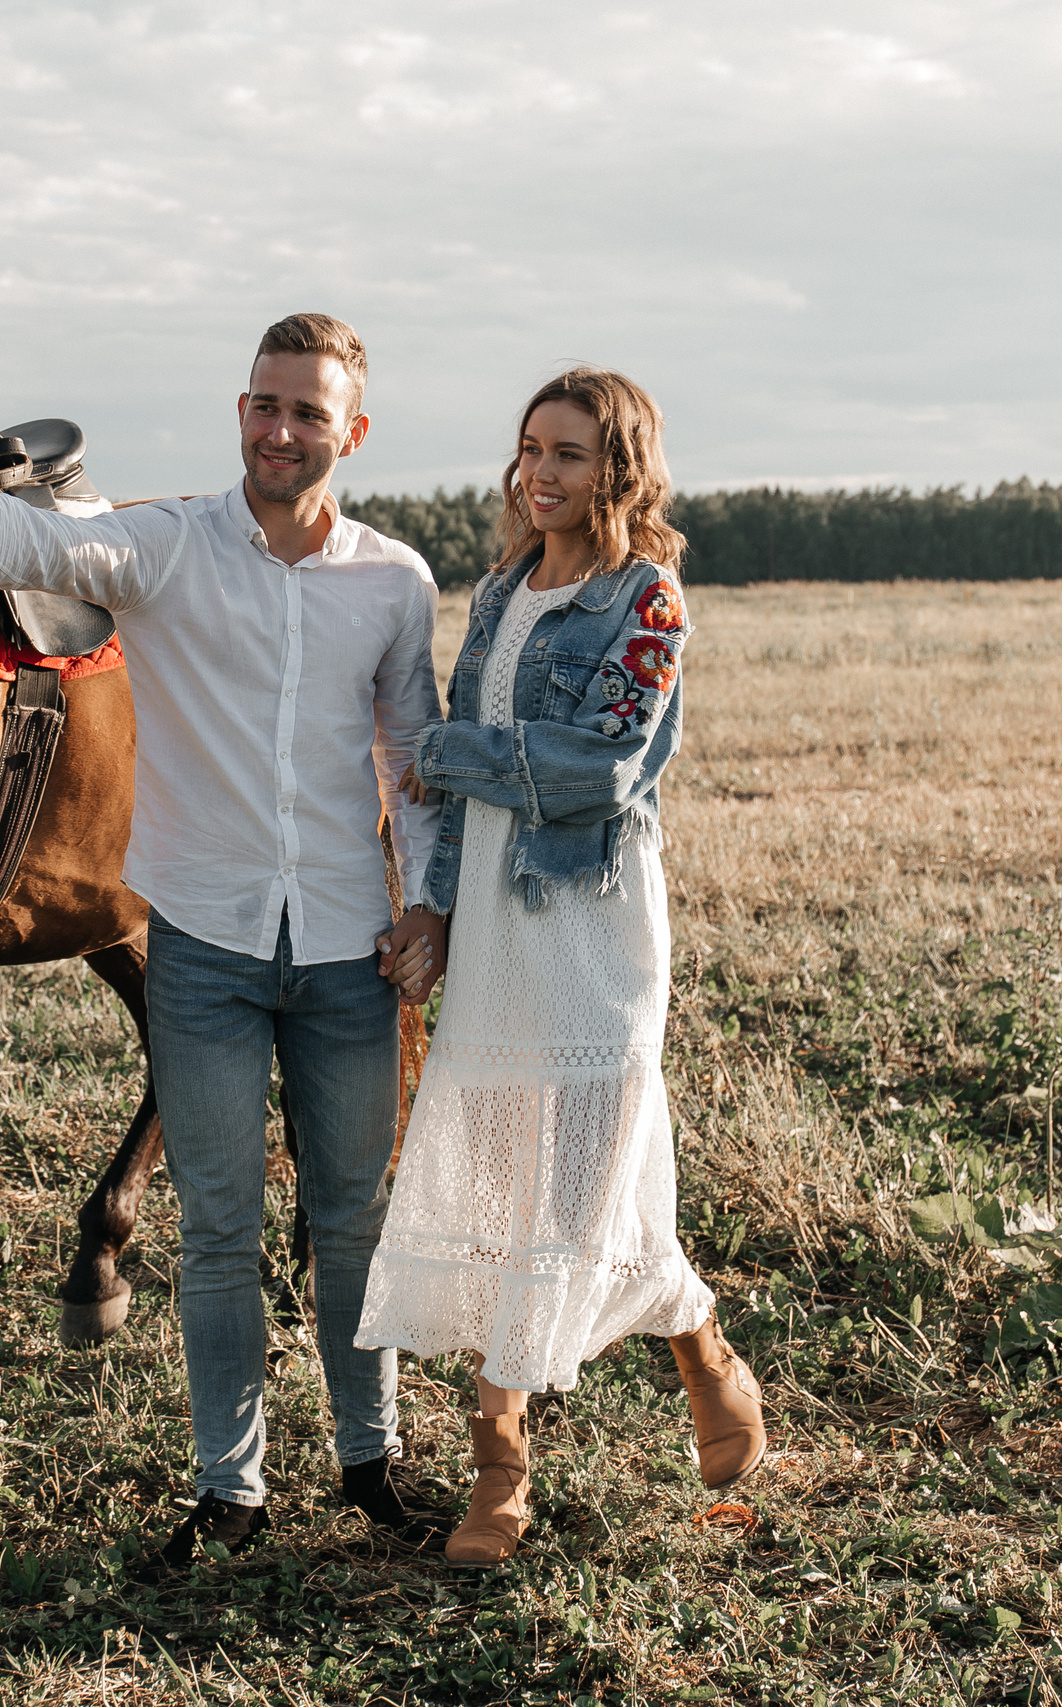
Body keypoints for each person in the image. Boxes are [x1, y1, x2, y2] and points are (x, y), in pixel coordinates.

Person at [0, 314, 456, 1567]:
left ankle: (368, 1464)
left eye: (307, 414)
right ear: (241, 412)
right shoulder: (166, 547)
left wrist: (431, 903)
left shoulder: (394, 583)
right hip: (207, 954)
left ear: (353, 433)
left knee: (352, 1222)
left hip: (349, 950)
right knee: (220, 1232)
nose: (280, 431)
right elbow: (19, 535)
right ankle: (229, 1491)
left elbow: (411, 760)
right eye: (263, 405)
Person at [354, 366, 768, 1567]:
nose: (540, 472)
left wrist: (449, 749)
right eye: (531, 447)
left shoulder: (650, 603)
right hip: (488, 923)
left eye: (570, 454)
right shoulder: (496, 596)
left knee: (586, 1195)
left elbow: (600, 767)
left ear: (619, 469)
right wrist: (429, 906)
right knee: (497, 1197)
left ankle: (692, 1339)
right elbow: (466, 791)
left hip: (590, 930)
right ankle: (503, 1468)